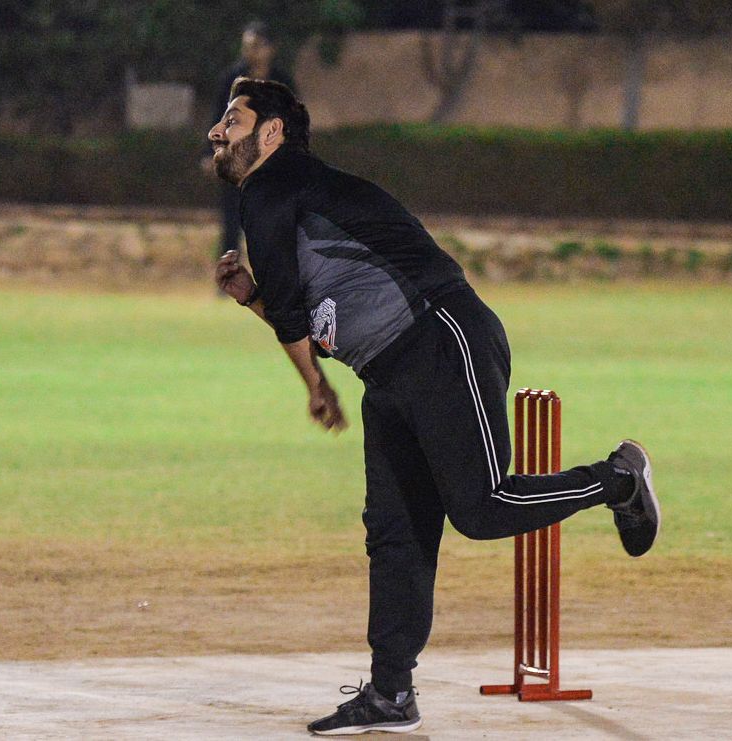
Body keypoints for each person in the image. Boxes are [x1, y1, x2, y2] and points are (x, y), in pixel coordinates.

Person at [208, 78, 661, 736]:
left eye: (232, 119)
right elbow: (302, 311)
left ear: (271, 133)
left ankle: (618, 479)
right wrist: (257, 301)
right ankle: (391, 692)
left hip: (440, 338)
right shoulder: (291, 193)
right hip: (388, 371)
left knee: (483, 506)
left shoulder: (275, 186)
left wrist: (315, 386)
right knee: (396, 533)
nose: (217, 131)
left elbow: (294, 321)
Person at [201, 21, 295, 266]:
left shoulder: (282, 82)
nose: (250, 52)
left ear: (270, 48)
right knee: (232, 223)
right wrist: (210, 152)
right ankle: (229, 275)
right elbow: (218, 118)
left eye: (256, 46)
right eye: (247, 46)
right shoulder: (232, 80)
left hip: (271, 164)